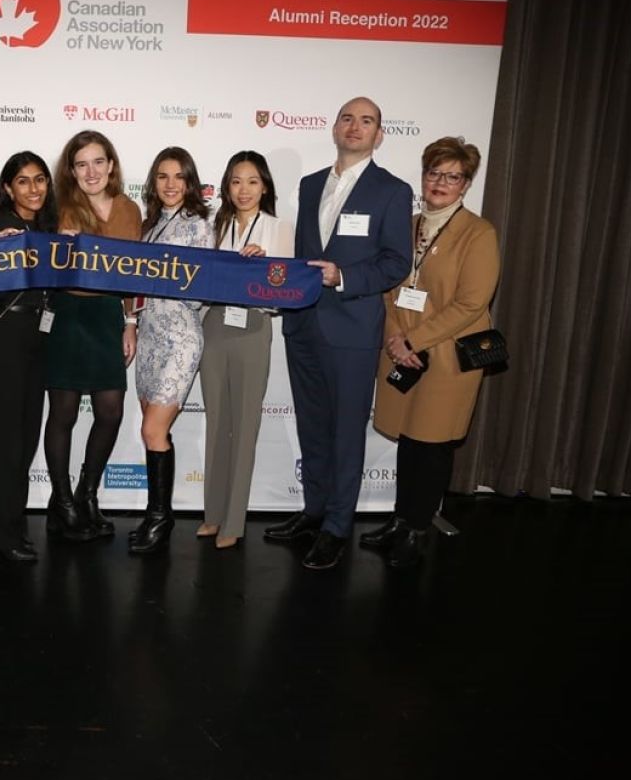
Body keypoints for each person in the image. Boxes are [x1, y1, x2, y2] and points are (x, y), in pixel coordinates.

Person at [264, 95, 412, 570]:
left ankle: (336, 526)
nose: (355, 126)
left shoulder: (392, 190)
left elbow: (395, 262)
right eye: (348, 118)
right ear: (334, 127)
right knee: (312, 426)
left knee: (346, 431)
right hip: (303, 323)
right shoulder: (309, 186)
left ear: (379, 135)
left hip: (351, 328)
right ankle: (313, 511)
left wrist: (343, 278)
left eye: (366, 120)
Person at [363, 137, 501, 567]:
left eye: (452, 176)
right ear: (422, 176)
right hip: (400, 346)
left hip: (446, 357)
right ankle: (400, 521)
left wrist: (414, 340)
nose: (440, 182)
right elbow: (388, 285)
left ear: (465, 183)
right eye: (434, 173)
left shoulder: (479, 233)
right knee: (408, 438)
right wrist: (394, 336)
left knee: (432, 444)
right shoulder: (405, 224)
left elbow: (472, 303)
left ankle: (418, 530)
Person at [44, 130, 140, 543]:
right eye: (81, 164)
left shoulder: (129, 209)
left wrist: (131, 321)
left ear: (111, 165)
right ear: (71, 170)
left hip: (106, 315)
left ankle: (87, 494)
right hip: (66, 313)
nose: (91, 171)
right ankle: (61, 501)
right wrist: (54, 248)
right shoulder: (58, 208)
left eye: (98, 161)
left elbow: (141, 271)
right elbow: (35, 263)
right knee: (62, 414)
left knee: (111, 411)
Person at [198, 151, 295, 550]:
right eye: (236, 181)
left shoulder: (278, 227)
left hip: (255, 325)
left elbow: (284, 291)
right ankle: (212, 514)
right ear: (226, 186)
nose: (243, 189)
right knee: (217, 422)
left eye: (252, 181)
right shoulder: (211, 225)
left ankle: (234, 520)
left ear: (265, 186)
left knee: (245, 426)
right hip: (215, 325)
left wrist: (261, 265)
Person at [0, 151, 59, 565]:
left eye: (40, 179)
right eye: (23, 181)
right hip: (6, 338)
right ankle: (1, 535)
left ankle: (13, 525)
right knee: (7, 439)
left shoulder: (44, 226)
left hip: (37, 338)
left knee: (24, 438)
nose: (34, 188)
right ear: (8, 188)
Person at [128, 147, 213, 555]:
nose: (171, 184)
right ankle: (154, 514)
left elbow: (201, 292)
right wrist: (132, 322)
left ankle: (161, 519)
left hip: (180, 337)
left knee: (152, 430)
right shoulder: (149, 225)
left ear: (190, 182)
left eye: (179, 176)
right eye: (162, 176)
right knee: (154, 433)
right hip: (148, 338)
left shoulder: (198, 226)